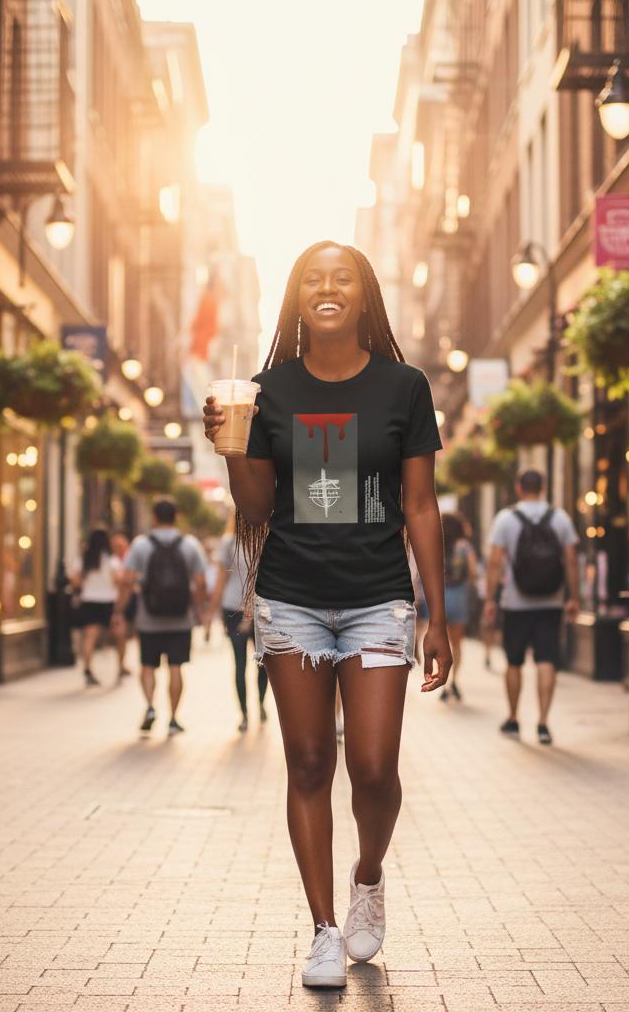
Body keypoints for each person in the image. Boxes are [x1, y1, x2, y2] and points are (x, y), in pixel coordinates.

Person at [203, 241, 451, 989]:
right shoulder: (267, 392)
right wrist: (229, 443)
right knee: (310, 762)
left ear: (365, 295)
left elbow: (418, 503)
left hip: (379, 597)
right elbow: (254, 508)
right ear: (298, 298)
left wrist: (437, 612)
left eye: (343, 276)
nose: (328, 287)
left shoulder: (403, 388)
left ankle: (368, 875)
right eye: (313, 278)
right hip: (293, 600)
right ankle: (322, 930)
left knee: (374, 769)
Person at [483, 469, 579, 745]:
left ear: (518, 488)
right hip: (551, 601)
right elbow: (571, 560)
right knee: (547, 660)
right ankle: (544, 723)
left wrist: (490, 599)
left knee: (514, 661)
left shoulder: (506, 519)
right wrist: (573, 597)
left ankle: (513, 718)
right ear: (544, 488)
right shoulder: (560, 518)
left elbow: (494, 562)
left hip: (515, 602)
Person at [113, 499, 208, 735]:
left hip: (149, 618)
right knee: (176, 667)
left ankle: (150, 707)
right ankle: (174, 719)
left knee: (147, 665)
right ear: (176, 517)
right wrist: (198, 608)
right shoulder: (189, 545)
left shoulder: (141, 544)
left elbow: (126, 579)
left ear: (154, 518)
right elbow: (201, 582)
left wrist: (120, 609)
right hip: (180, 618)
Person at [207, 517, 269, 732]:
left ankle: (244, 715)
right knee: (263, 663)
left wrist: (209, 616)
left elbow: (220, 582)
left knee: (240, 663)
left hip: (234, 608)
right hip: (261, 609)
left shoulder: (229, 542)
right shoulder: (266, 539)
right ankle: (258, 705)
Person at [72, 528, 123, 687]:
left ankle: (87, 669)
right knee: (118, 636)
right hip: (108, 601)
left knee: (89, 637)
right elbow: (118, 580)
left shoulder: (84, 560)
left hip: (89, 600)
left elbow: (75, 581)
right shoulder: (111, 560)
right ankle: (120, 668)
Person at [439, 511, 477, 703]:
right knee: (456, 644)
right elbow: (473, 572)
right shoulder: (464, 546)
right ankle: (453, 681)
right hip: (459, 597)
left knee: (441, 641)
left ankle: (441, 679)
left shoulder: (437, 544)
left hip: (440, 598)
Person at [110, 530, 136, 678]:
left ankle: (121, 664)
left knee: (122, 634)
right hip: (113, 601)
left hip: (122, 601)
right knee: (120, 633)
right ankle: (121, 664)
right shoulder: (112, 561)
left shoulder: (128, 559)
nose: (117, 548)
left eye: (120, 546)